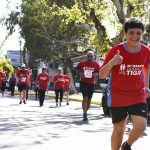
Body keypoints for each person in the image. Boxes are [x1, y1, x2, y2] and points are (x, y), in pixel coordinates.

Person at [99, 18, 150, 150]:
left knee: (141, 126)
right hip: (117, 94)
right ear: (125, 34)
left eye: (138, 33)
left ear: (143, 34)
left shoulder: (146, 51)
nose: (135, 36)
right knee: (119, 129)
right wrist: (112, 63)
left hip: (137, 94)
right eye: (131, 33)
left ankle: (126, 146)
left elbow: (145, 67)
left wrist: (146, 86)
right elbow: (102, 75)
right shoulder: (116, 50)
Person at [77, 51, 101, 121]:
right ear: (86, 56)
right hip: (83, 82)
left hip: (91, 83)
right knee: (85, 98)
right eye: (88, 56)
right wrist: (80, 74)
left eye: (91, 56)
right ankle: (84, 113)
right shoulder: (82, 63)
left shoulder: (96, 64)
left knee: (89, 99)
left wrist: (95, 74)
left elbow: (99, 72)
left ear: (93, 57)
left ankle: (86, 111)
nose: (90, 58)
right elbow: (77, 69)